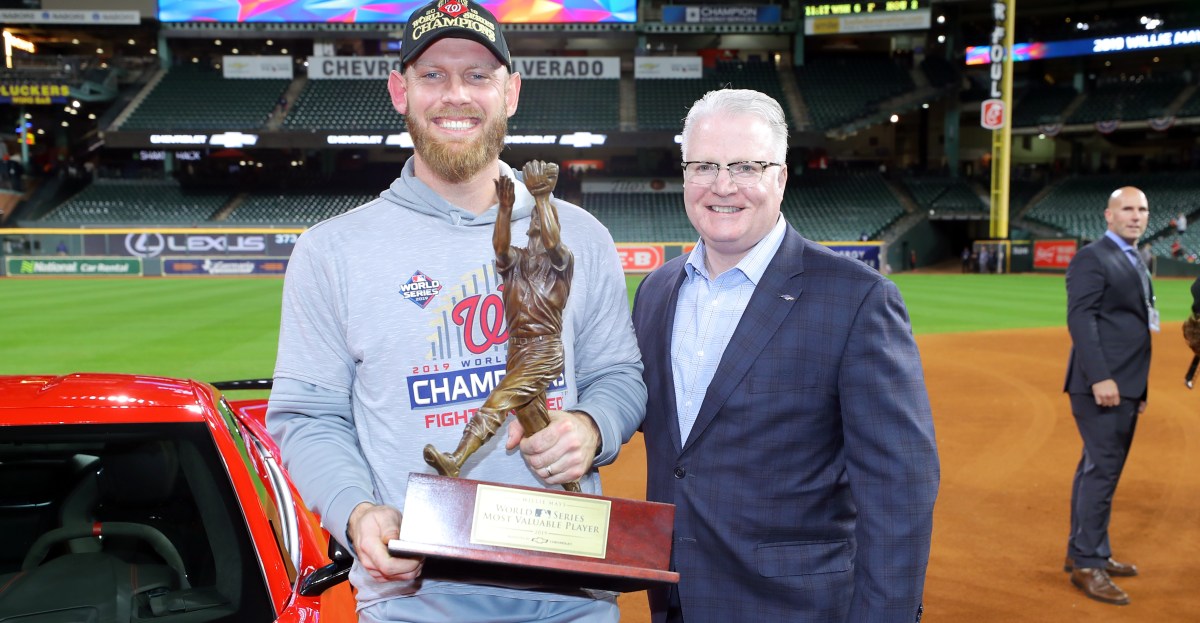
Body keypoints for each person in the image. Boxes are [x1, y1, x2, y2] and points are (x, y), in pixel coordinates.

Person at [264, 2, 646, 621]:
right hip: (414, 602)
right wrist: (357, 511)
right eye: (433, 75)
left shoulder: (582, 236)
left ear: (511, 92)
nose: (455, 96)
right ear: (400, 90)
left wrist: (594, 426)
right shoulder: (330, 252)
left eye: (477, 75)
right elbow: (309, 417)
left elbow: (619, 378)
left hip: (569, 597)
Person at [631, 89, 940, 623]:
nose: (723, 186)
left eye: (746, 166)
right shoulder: (657, 291)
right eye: (704, 165)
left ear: (780, 176)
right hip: (679, 595)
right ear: (684, 175)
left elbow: (900, 486)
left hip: (795, 606)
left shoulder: (857, 298)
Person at [1062, 186, 1155, 606]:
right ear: (1109, 216)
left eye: (1142, 210)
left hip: (1126, 383)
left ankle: (1087, 551)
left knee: (1095, 470)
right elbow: (1081, 318)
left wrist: (1138, 386)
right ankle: (1088, 564)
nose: (1136, 216)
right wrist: (1101, 377)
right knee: (1103, 472)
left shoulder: (1140, 257)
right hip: (1101, 384)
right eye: (1128, 209)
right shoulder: (1092, 256)